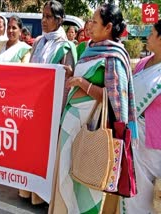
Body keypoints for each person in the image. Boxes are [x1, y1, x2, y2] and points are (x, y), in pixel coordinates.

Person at [48, 3, 138, 213]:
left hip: (92, 130)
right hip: (71, 127)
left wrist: (82, 84)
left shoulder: (114, 56)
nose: (90, 25)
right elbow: (85, 78)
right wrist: (73, 75)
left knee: (87, 180)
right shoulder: (90, 48)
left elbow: (116, 101)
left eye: (95, 21)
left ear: (108, 27)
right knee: (65, 175)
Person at [19, 0, 77, 205]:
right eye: (43, 16)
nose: (44, 20)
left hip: (52, 108)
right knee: (33, 149)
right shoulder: (38, 42)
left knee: (48, 152)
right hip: (34, 105)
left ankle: (44, 197)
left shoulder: (66, 47)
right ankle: (29, 193)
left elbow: (69, 81)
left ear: (59, 20)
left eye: (49, 17)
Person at [121, 19, 161, 214]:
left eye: (152, 33)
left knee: (153, 196)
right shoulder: (143, 63)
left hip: (155, 144)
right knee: (134, 192)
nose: (148, 36)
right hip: (135, 137)